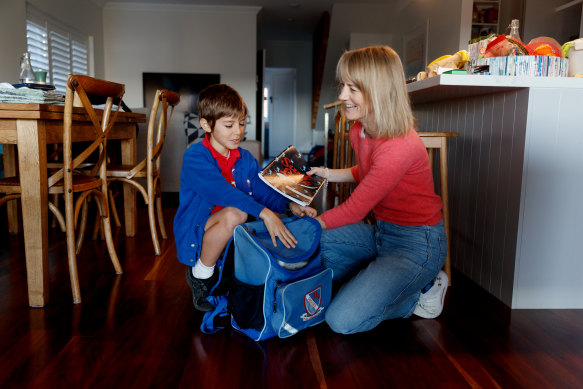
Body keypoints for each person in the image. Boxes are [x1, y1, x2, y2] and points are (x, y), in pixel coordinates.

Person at [307, 46, 448, 334]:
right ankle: (378, 282)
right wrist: (327, 174)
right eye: (343, 86)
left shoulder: (400, 146)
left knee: (341, 320)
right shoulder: (359, 130)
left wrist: (310, 224)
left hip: (417, 245)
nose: (343, 96)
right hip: (382, 233)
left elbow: (356, 208)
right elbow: (368, 174)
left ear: (378, 91)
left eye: (353, 88)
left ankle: (422, 291)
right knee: (316, 246)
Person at [174, 84, 316, 311]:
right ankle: (200, 274)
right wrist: (266, 213)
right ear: (206, 125)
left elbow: (263, 192)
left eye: (241, 123)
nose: (238, 131)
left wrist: (290, 206)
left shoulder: (245, 158)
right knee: (236, 213)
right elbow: (221, 191)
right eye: (229, 125)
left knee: (249, 219)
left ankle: (236, 273)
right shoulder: (195, 156)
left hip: (235, 227)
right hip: (201, 228)